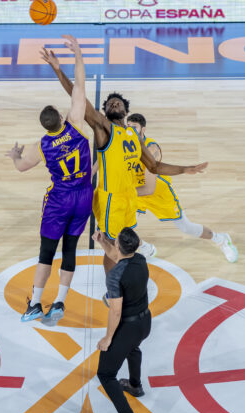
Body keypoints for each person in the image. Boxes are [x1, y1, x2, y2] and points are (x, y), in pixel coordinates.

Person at [40, 42, 208, 273]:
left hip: (129, 198)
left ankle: (123, 274)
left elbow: (154, 166)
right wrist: (58, 70)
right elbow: (78, 97)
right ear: (106, 112)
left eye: (118, 102)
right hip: (111, 199)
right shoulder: (104, 128)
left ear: (126, 111)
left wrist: (184, 169)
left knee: (124, 244)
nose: (114, 102)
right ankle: (111, 287)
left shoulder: (133, 136)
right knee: (112, 246)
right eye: (110, 103)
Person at [6, 36, 93, 326]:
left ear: (45, 126)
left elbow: (21, 168)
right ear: (60, 116)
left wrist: (15, 156)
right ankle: (60, 302)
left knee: (46, 253)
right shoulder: (76, 125)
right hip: (83, 196)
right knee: (70, 249)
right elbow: (79, 87)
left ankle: (34, 304)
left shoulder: (40, 147)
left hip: (59, 200)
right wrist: (77, 55)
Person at [126, 113, 238, 263]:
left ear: (143, 129)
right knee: (123, 225)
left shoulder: (152, 149)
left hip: (157, 192)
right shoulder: (125, 143)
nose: (130, 130)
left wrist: (121, 192)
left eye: (134, 127)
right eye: (128, 126)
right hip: (136, 190)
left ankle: (221, 239)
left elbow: (149, 188)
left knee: (186, 227)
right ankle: (146, 248)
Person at [93, 227, 150, 413]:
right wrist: (102, 242)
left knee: (105, 374)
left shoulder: (115, 275)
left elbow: (115, 312)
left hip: (129, 327)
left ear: (118, 245)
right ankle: (135, 386)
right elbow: (118, 256)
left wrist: (108, 338)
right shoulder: (140, 260)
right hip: (145, 323)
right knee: (133, 348)